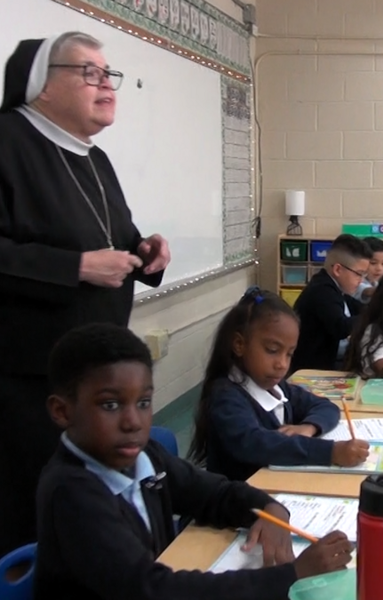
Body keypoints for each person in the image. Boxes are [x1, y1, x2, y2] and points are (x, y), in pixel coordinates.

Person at [0, 32, 170, 556]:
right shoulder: (7, 141)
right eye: (89, 73)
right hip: (27, 381)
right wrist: (74, 267)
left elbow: (111, 237)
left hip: (95, 373)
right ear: (41, 85)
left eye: (108, 74)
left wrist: (145, 251)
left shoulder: (93, 158)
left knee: (93, 514)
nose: (106, 85)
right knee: (34, 511)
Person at [34, 323, 352, 600]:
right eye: (110, 405)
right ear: (62, 412)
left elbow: (215, 494)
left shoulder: (144, 457)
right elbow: (149, 590)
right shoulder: (72, 493)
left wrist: (269, 509)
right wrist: (292, 575)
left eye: (143, 402)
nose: (133, 421)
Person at [187, 287, 369, 482]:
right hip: (242, 501)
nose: (282, 364)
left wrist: (309, 427)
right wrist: (331, 452)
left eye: (289, 354)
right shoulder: (226, 396)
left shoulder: (277, 387)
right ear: (239, 345)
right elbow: (256, 444)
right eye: (272, 350)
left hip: (279, 486)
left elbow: (325, 406)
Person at [291, 234, 372, 373]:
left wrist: (378, 308)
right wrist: (374, 314)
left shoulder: (335, 289)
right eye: (359, 274)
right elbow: (340, 327)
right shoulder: (322, 290)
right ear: (338, 270)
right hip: (313, 370)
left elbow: (361, 309)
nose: (361, 281)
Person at [353, 236, 383, 303]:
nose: (379, 268)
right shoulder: (356, 282)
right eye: (373, 263)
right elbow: (367, 291)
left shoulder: (375, 283)